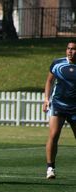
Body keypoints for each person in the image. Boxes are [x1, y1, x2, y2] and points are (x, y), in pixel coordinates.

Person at [43, 40, 76, 179]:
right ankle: (50, 168)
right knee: (54, 135)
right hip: (58, 105)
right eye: (68, 48)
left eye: (73, 49)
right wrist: (46, 99)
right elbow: (49, 81)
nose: (70, 51)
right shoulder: (57, 63)